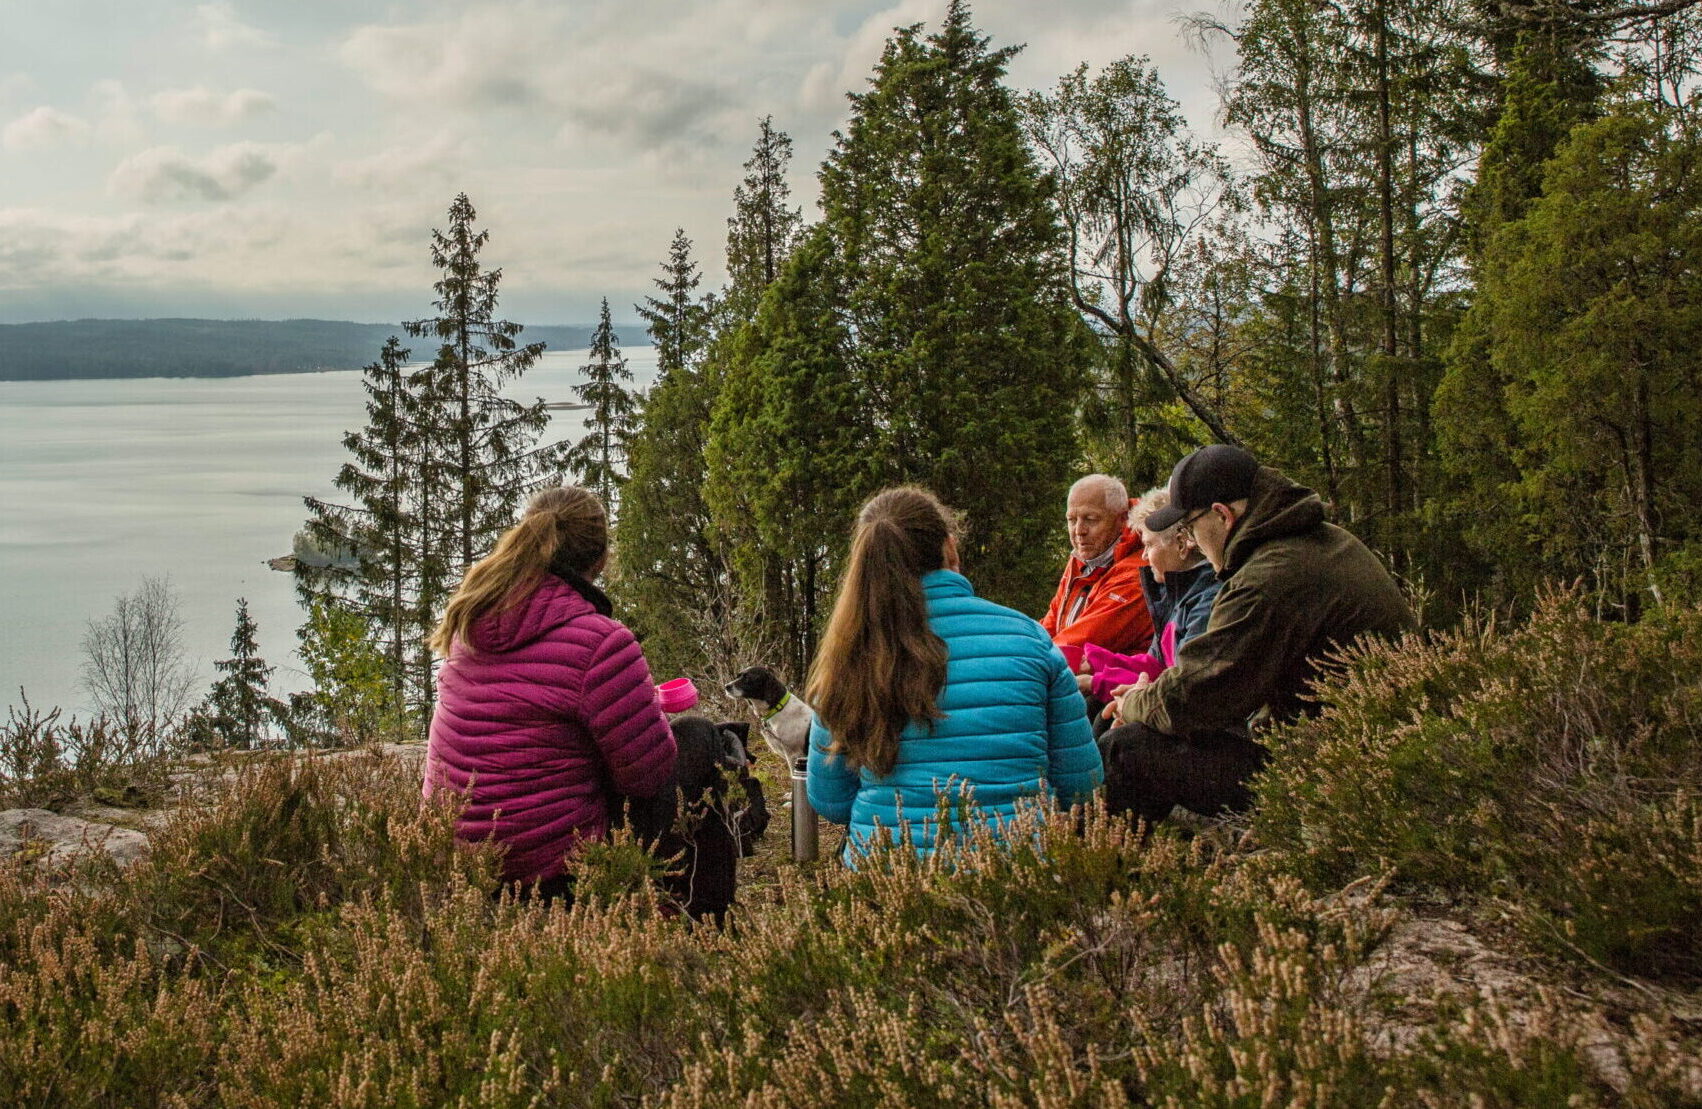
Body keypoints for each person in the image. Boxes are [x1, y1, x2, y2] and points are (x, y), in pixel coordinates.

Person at [1100, 445, 1415, 825]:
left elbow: (1195, 698)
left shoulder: (1266, 579)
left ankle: (1105, 859)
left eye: (1191, 527)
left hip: (1340, 770)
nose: (1193, 541)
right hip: (1373, 750)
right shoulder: (1321, 541)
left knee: (1126, 748)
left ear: (1222, 515)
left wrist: (1134, 703)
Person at [806, 487, 1103, 860]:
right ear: (950, 547)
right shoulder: (1029, 638)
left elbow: (830, 799)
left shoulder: (848, 654)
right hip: (1018, 876)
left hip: (886, 878)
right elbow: (1083, 785)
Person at [423, 486, 677, 901]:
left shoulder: (470, 619)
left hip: (455, 860)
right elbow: (648, 776)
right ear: (601, 558)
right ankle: (696, 913)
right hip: (546, 870)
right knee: (700, 741)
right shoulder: (602, 642)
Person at [1083, 487, 1223, 708]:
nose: (1145, 556)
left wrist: (1098, 682)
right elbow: (1154, 664)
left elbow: (1182, 684)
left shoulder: (1206, 600)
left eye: (1148, 545)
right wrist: (1094, 662)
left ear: (1181, 543)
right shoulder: (1176, 596)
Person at [1041, 475, 1155, 672]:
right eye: (1071, 520)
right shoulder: (1087, 554)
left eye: (1091, 519)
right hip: (1076, 674)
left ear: (1122, 519)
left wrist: (1023, 659)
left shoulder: (1138, 573)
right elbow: (1052, 621)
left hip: (1118, 684)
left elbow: (1081, 644)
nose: (1079, 531)